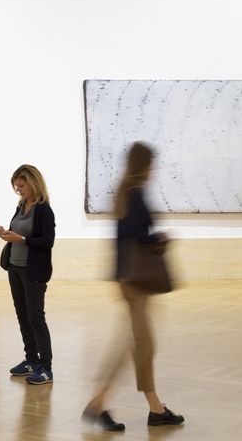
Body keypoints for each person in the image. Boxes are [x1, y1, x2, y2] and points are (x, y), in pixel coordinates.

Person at [84, 142, 185, 432]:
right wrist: (161, 237)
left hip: (127, 277)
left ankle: (154, 407)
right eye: (152, 164)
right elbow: (135, 234)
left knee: (142, 344)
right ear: (145, 165)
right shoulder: (135, 194)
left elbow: (124, 236)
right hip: (135, 280)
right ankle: (99, 404)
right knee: (138, 344)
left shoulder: (124, 192)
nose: (154, 170)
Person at [0, 164, 56, 386]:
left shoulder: (44, 210)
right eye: (16, 186)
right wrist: (5, 234)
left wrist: (21, 239)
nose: (18, 190)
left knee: (36, 317)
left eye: (21, 186)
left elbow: (47, 241)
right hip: (14, 267)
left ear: (33, 183)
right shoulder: (21, 205)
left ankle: (45, 368)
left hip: (33, 271)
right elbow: (18, 233)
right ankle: (31, 360)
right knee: (22, 315)